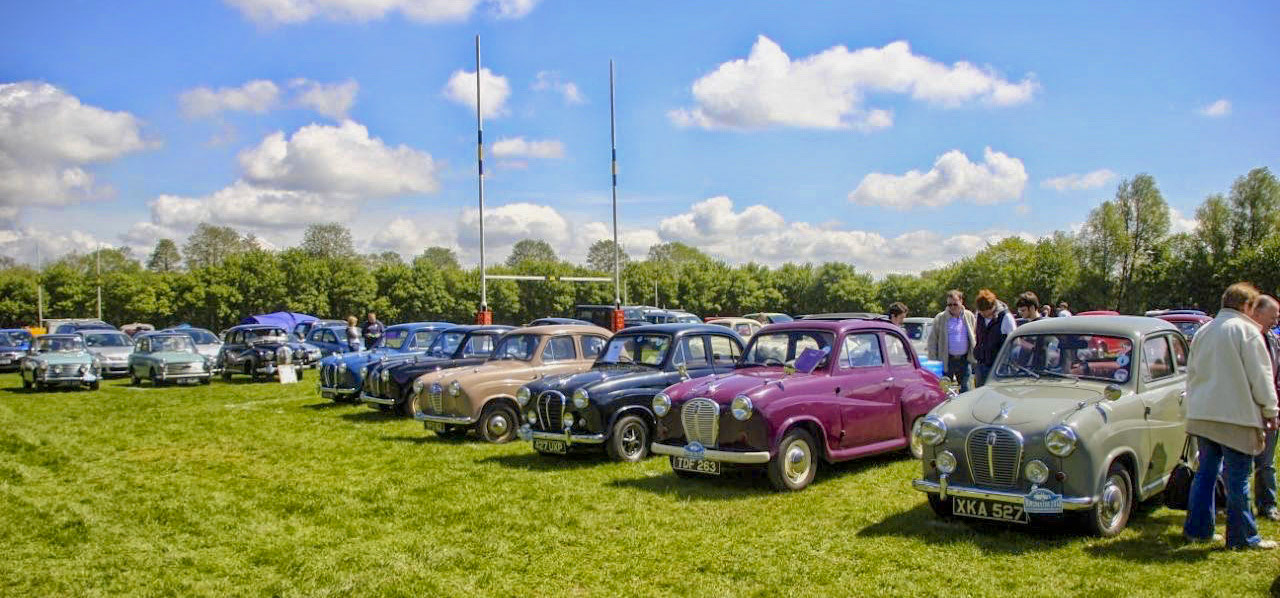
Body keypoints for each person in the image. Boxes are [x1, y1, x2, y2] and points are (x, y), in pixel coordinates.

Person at [1183, 283, 1279, 549]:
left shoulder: (1204, 330)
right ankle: (1243, 537)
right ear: (1247, 306)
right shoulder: (1247, 331)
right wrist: (1271, 410)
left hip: (1203, 413)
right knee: (1238, 479)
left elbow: (1191, 373)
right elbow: (1261, 376)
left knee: (1205, 474)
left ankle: (1198, 531)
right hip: (1235, 416)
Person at [1249, 295, 1280, 521]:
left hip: (1270, 408)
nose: (1276, 321)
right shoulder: (1245, 338)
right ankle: (1230, 504)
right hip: (1245, 409)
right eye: (1273, 316)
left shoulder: (1273, 340)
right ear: (1257, 313)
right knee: (1237, 463)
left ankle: (1267, 505)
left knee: (1266, 463)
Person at [926, 290, 976, 393]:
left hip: (965, 359)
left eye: (955, 304)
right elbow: (932, 341)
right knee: (945, 390)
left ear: (961, 301)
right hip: (947, 359)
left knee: (966, 388)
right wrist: (933, 361)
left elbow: (975, 335)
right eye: (949, 305)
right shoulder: (940, 318)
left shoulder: (969, 316)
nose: (952, 307)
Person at [973, 289, 1017, 387]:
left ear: (993, 307)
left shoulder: (1006, 317)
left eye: (985, 312)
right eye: (981, 311)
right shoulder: (979, 315)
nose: (983, 314)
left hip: (999, 368)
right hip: (981, 364)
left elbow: (1014, 342)